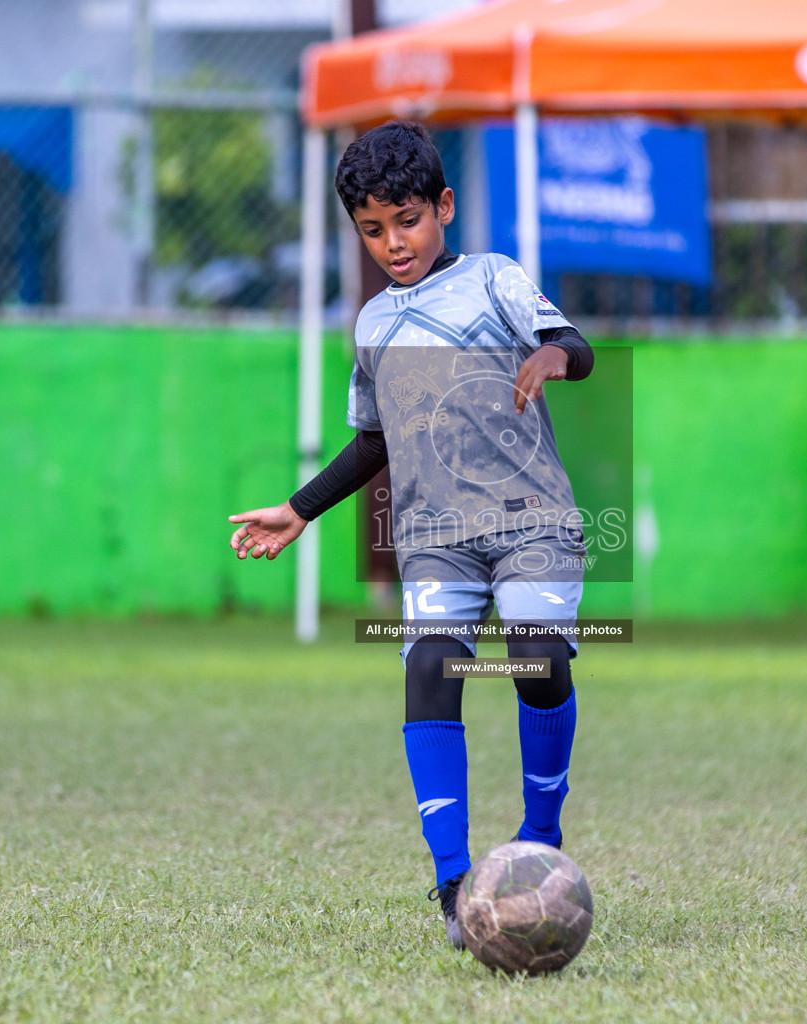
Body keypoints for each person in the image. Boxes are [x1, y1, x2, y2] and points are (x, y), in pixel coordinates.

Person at [226, 121, 594, 952]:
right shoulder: (373, 327)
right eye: (373, 229)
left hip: (531, 520)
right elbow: (374, 441)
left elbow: (575, 344)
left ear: (445, 207)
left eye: (409, 220)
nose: (394, 242)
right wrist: (300, 508)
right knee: (430, 664)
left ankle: (541, 838)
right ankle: (456, 886)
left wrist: (553, 361)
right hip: (436, 537)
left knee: (538, 653)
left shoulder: (495, 281)